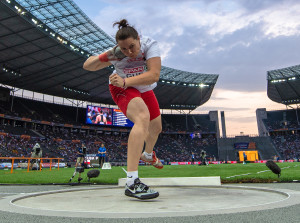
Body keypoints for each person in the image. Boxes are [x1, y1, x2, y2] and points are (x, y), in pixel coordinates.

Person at [83, 19, 162, 200]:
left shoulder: (150, 46)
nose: (129, 52)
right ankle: (132, 182)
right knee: (142, 117)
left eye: (132, 47)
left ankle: (148, 154)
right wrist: (110, 54)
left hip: (141, 86)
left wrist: (127, 80)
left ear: (138, 39)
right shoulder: (117, 53)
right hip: (122, 88)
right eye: (124, 49)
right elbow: (87, 65)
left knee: (156, 128)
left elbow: (154, 75)